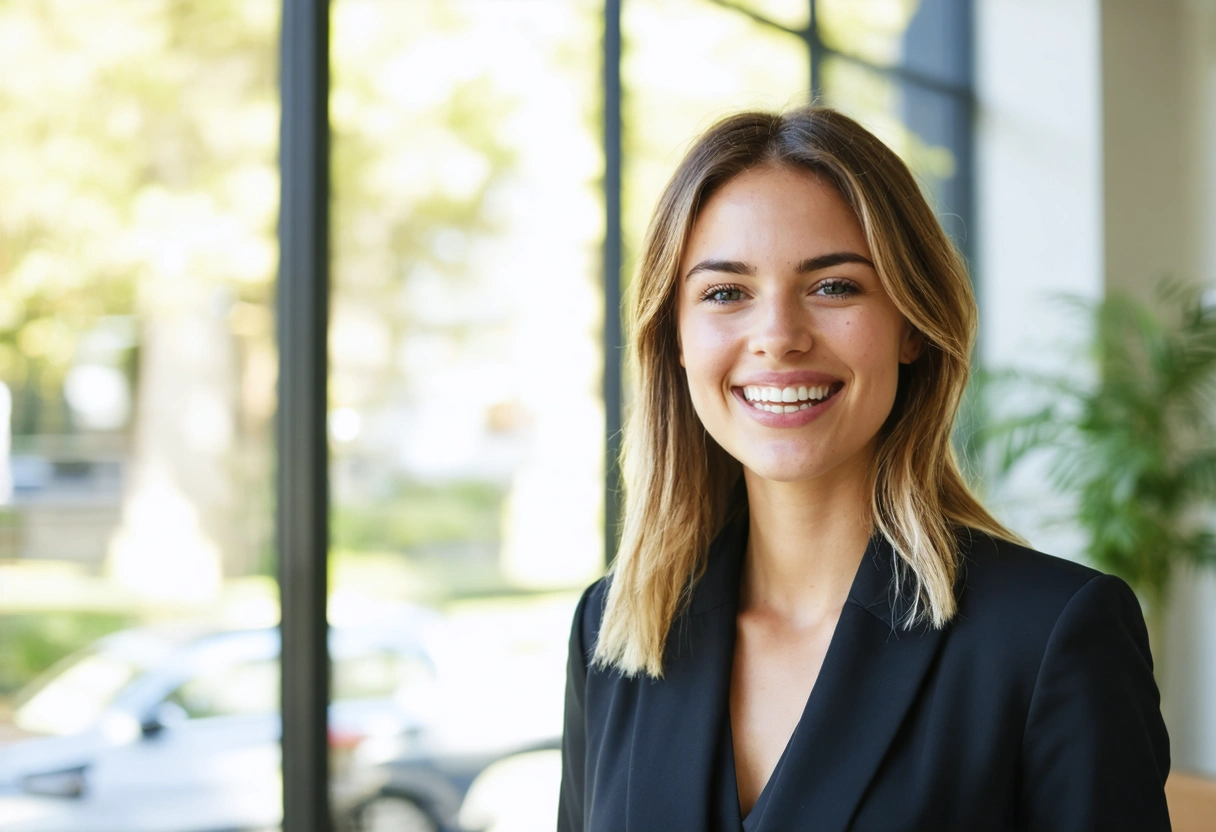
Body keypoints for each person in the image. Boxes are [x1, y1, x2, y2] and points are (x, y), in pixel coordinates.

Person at [557, 106, 1171, 831]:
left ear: (911, 323)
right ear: (676, 339)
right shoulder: (616, 631)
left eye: (834, 286)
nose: (779, 337)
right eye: (726, 293)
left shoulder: (1050, 637)